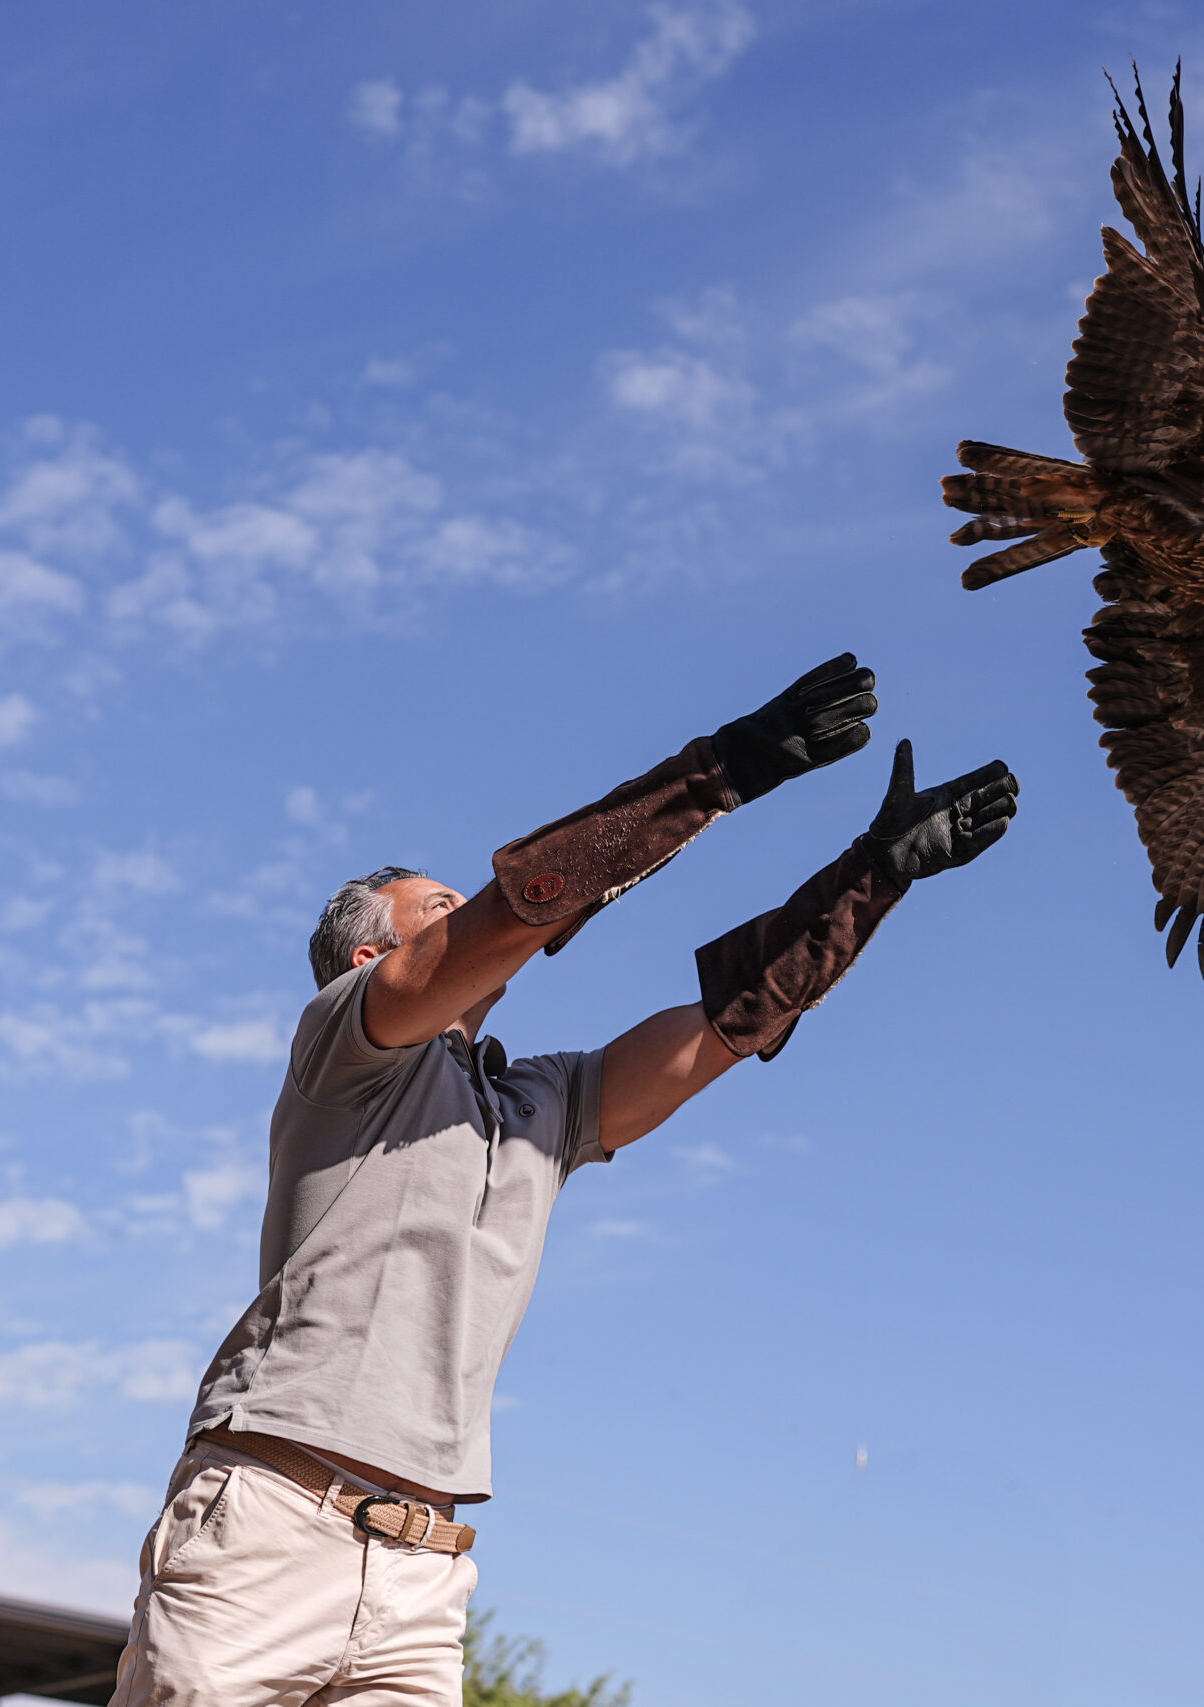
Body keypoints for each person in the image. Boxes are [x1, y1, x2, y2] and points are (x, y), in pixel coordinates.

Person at [109, 655, 1019, 1706]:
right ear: (367, 961)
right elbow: (514, 915)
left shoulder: (536, 1109)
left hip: (423, 1577)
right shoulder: (343, 1054)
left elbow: (721, 1028)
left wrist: (874, 875)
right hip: (270, 1527)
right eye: (437, 909)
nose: (471, 918)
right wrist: (720, 773)